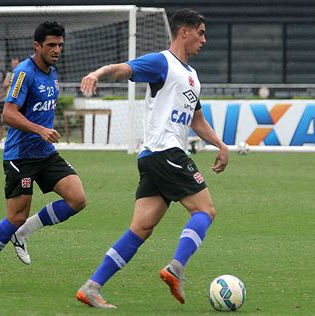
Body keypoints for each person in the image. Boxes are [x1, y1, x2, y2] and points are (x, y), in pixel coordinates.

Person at [76, 8, 229, 309]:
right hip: (167, 153)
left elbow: (196, 119)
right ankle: (176, 267)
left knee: (141, 228)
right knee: (206, 211)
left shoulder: (192, 77)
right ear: (183, 32)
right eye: (200, 32)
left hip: (152, 159)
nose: (204, 39)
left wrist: (220, 145)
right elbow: (124, 69)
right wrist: (97, 73)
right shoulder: (162, 63)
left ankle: (92, 286)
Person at [0, 21, 87, 290]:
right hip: (20, 156)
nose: (57, 50)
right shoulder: (24, 73)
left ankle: (23, 234)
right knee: (16, 215)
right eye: (51, 45)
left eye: (60, 45)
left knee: (77, 199)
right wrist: (40, 129)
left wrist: (43, 134)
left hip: (45, 153)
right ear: (37, 46)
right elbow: (7, 113)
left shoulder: (53, 73)